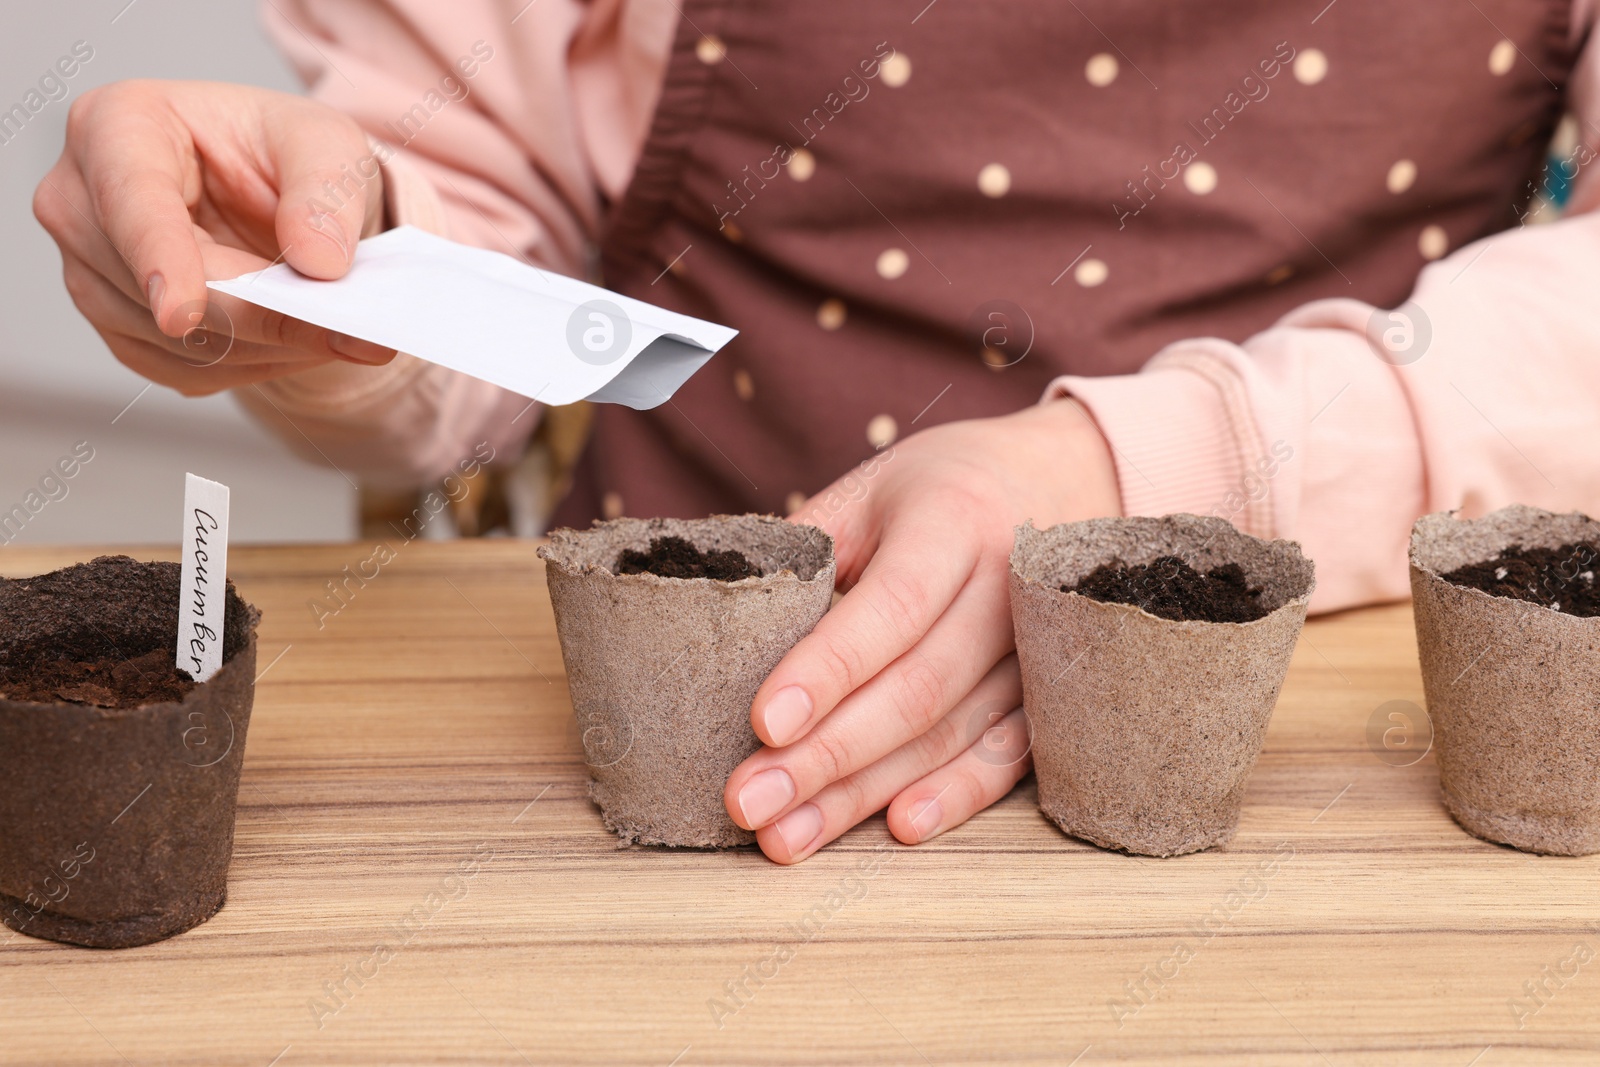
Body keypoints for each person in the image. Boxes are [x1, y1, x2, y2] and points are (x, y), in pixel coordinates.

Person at [34, 0, 1600, 865]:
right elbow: (491, 220)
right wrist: (349, 269)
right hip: (724, 728)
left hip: (1312, 725)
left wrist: (1135, 470)